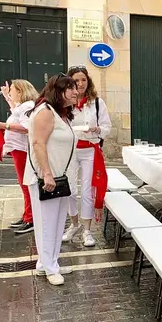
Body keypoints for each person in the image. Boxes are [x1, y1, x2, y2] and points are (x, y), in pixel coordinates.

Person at [24, 75, 78, 285]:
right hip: (47, 177)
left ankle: (47, 263)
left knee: (56, 223)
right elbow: (38, 143)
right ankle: (49, 268)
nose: (76, 92)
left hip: (60, 178)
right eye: (71, 88)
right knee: (47, 224)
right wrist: (46, 173)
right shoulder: (45, 112)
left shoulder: (60, 113)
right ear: (58, 91)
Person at [62, 66, 110, 247]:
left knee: (88, 191)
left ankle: (87, 230)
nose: (80, 84)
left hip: (91, 149)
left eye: (83, 80)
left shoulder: (97, 103)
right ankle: (74, 224)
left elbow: (106, 126)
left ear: (88, 81)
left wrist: (96, 129)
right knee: (70, 190)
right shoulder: (65, 103)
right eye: (76, 80)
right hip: (70, 150)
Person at [0, 79, 38, 234]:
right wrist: (6, 97)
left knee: (26, 184)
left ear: (20, 91)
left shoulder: (28, 106)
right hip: (18, 149)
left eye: (12, 90)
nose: (10, 92)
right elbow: (16, 110)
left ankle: (31, 218)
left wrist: (4, 126)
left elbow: (26, 127)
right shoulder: (23, 106)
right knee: (24, 184)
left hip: (22, 149)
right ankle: (27, 215)